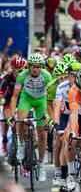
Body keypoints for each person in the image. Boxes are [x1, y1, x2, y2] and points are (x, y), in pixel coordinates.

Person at [7, 53, 53, 182]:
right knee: (20, 118)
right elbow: (15, 96)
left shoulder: (47, 76)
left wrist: (49, 115)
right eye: (32, 66)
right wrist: (11, 115)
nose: (35, 69)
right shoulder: (22, 76)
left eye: (38, 67)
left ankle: (40, 164)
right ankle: (21, 144)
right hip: (26, 99)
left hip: (41, 101)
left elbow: (51, 98)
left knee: (42, 132)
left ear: (41, 67)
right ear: (28, 66)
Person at [52, 62, 81, 192]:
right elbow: (57, 107)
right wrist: (56, 123)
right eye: (72, 76)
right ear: (68, 76)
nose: (75, 79)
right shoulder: (61, 87)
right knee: (64, 140)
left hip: (80, 114)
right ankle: (64, 175)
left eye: (78, 76)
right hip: (65, 115)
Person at [45, 62, 69, 186]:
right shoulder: (53, 86)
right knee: (59, 141)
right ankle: (58, 171)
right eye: (60, 78)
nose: (63, 80)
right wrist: (53, 121)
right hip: (58, 111)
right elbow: (50, 105)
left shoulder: (71, 84)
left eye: (66, 77)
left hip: (71, 111)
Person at [0, 57, 26, 154]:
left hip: (22, 101)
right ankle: (5, 140)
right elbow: (1, 94)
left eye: (20, 71)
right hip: (9, 100)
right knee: (6, 118)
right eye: (15, 70)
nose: (17, 73)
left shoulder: (26, 78)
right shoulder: (7, 78)